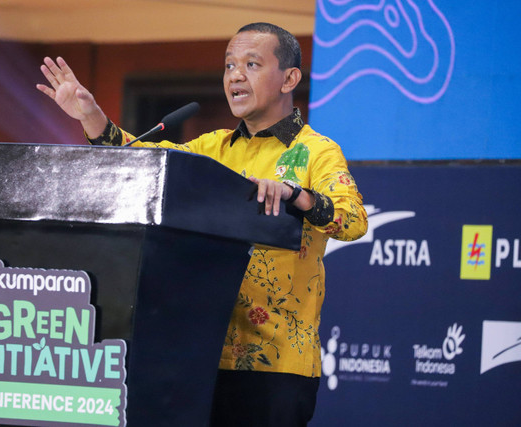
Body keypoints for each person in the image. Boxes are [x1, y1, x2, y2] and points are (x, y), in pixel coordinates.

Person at [37, 22, 367, 426]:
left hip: (276, 364)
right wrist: (91, 116)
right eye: (229, 66)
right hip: (199, 355)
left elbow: (352, 221)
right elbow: (142, 161)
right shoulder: (212, 148)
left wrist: (294, 193)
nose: (235, 75)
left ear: (289, 78)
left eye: (251, 64)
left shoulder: (317, 151)